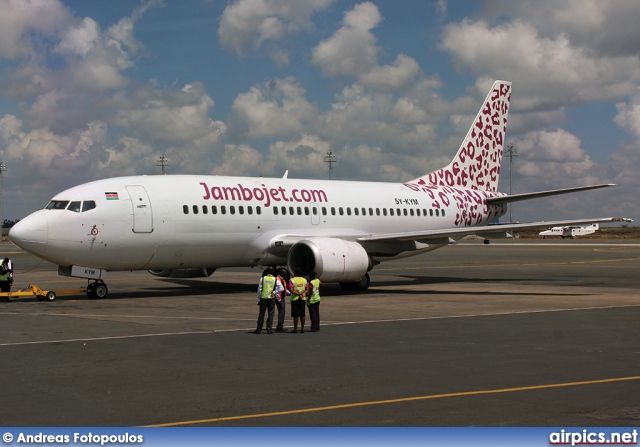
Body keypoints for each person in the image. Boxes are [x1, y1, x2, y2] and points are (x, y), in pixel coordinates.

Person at [254, 267, 283, 334]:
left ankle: (259, 329)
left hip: (263, 298)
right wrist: (275, 292)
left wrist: (258, 299)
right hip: (271, 298)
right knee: (271, 314)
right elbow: (281, 288)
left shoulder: (263, 279)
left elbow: (259, 290)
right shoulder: (275, 279)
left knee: (261, 314)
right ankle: (269, 329)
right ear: (273, 272)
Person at [275, 268, 290, 332]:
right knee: (282, 311)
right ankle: (280, 326)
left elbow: (285, 289)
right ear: (280, 273)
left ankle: (280, 325)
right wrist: (278, 298)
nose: (285, 274)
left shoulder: (282, 279)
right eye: (284, 273)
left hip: (281, 297)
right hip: (279, 298)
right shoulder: (277, 279)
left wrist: (291, 293)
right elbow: (276, 289)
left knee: (282, 311)